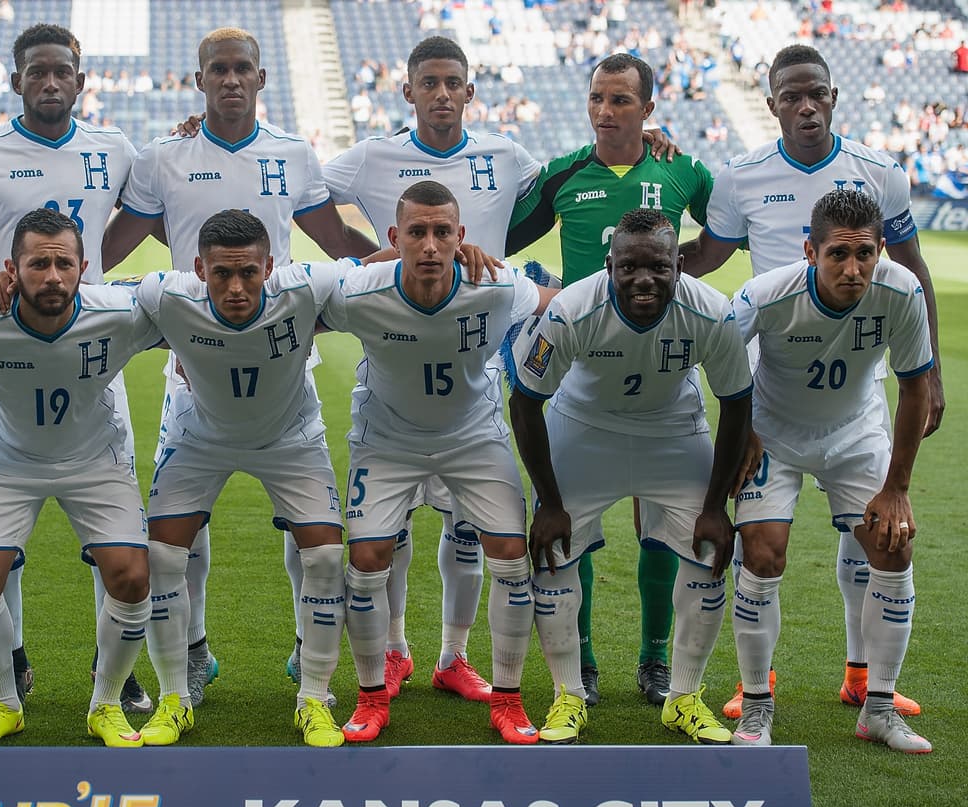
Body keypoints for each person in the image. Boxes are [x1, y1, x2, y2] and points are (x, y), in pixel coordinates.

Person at [101, 27, 377, 709]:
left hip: (283, 361)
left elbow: (337, 243)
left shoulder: (292, 153)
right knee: (182, 533)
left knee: (306, 528)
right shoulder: (163, 156)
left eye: (242, 69)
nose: (230, 79)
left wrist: (416, 270)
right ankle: (193, 652)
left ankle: (303, 648)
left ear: (261, 79)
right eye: (217, 69)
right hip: (194, 365)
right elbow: (111, 250)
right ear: (199, 80)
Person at [679, 44, 941, 719]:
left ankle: (862, 677)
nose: (805, 105)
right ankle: (752, 686)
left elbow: (912, 267)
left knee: (875, 537)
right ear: (771, 104)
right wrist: (635, 265)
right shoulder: (741, 176)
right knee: (764, 549)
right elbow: (707, 257)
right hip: (775, 385)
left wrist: (930, 369)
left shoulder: (880, 174)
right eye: (791, 96)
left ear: (832, 96)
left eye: (816, 93)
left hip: (857, 382)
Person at [0, 23, 147, 713]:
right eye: (37, 73)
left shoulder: (115, 150)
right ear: (16, 79)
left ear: (81, 80)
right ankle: (11, 662)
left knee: (111, 531)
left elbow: (160, 214)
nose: (50, 83)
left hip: (91, 351)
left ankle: (116, 673)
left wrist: (93, 282)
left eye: (62, 73)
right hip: (6, 349)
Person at [321, 35, 545, 707]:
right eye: (430, 83)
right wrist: (372, 261)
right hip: (399, 339)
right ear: (409, 90)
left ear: (469, 91)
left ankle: (454, 654)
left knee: (468, 529)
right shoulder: (370, 157)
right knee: (388, 533)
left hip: (475, 341)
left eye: (454, 82)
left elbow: (541, 206)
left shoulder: (508, 154)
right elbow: (301, 197)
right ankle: (392, 651)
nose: (442, 94)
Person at [505, 53, 714, 707]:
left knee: (662, 523)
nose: (606, 111)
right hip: (580, 371)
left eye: (622, 100)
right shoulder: (565, 173)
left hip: (662, 367)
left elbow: (729, 231)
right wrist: (540, 298)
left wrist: (681, 279)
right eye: (597, 98)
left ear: (648, 109)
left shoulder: (682, 168)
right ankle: (585, 663)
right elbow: (500, 238)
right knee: (573, 525)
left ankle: (656, 662)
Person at [507, 209, 753, 744]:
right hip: (585, 427)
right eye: (629, 267)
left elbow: (736, 404)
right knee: (553, 554)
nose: (644, 279)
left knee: (709, 552)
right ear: (609, 265)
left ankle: (684, 698)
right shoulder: (572, 310)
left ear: (680, 266)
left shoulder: (713, 313)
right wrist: (549, 503)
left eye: (658, 267)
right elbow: (524, 404)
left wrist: (714, 507)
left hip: (672, 430)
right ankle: (568, 695)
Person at [130, 210, 362, 748]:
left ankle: (314, 698)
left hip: (290, 436)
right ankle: (174, 699)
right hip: (199, 434)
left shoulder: (307, 286)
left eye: (249, 273)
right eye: (221, 275)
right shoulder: (166, 295)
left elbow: (382, 269)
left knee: (326, 557)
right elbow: (92, 297)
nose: (236, 287)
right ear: (198, 269)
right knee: (163, 556)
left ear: (270, 266)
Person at [727, 189, 933, 753]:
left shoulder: (901, 289)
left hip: (855, 432)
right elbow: (719, 357)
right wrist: (741, 429)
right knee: (763, 552)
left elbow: (915, 386)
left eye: (864, 254)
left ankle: (880, 707)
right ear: (808, 251)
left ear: (880, 250)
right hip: (774, 433)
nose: (853, 268)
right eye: (837, 254)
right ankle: (755, 708)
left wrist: (897, 488)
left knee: (893, 546)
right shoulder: (767, 295)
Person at [0, 209, 163, 748]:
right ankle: (4, 701)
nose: (52, 276)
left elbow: (196, 297)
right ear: (11, 268)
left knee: (133, 577)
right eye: (38, 263)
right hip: (8, 462)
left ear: (83, 267)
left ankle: (106, 705)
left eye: (63, 263)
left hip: (96, 462)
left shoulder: (119, 311)